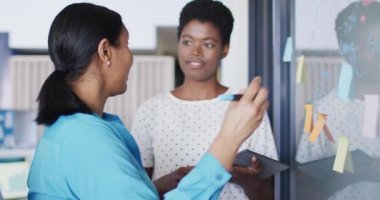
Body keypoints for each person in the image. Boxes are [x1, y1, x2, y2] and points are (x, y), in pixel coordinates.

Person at [26, 2, 270, 200]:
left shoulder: (80, 130)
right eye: (127, 44)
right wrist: (228, 139)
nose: (131, 56)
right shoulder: (85, 138)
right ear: (105, 52)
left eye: (207, 44)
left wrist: (150, 189)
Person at [131, 0, 278, 199]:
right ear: (178, 43)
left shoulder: (245, 107)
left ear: (224, 49)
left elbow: (268, 195)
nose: (195, 52)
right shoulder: (151, 110)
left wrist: (242, 177)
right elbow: (135, 193)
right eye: (187, 42)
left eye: (208, 44)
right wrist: (164, 183)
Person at [296, 1, 380, 199]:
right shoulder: (321, 113)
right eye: (371, 44)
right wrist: (353, 174)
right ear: (349, 50)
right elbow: (303, 182)